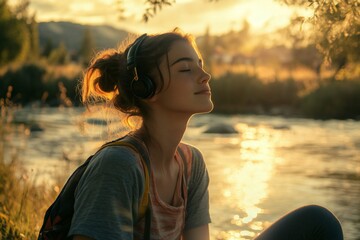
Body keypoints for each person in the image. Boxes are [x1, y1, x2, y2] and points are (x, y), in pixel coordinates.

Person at [69, 29, 343, 240]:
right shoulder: (119, 165)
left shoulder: (191, 163)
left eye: (200, 64)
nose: (205, 76)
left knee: (318, 222)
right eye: (186, 69)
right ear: (147, 88)